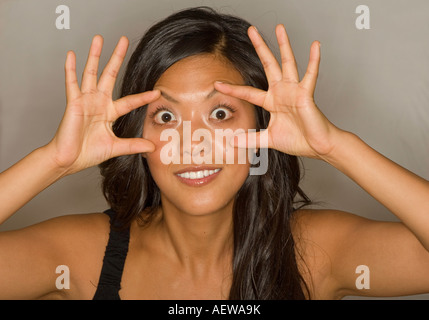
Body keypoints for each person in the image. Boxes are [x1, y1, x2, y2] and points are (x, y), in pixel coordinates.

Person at [0, 6, 428, 300]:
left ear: (262, 126)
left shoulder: (317, 251)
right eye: (166, 117)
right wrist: (51, 161)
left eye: (220, 113)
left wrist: (334, 146)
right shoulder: (79, 254)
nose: (192, 142)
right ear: (137, 135)